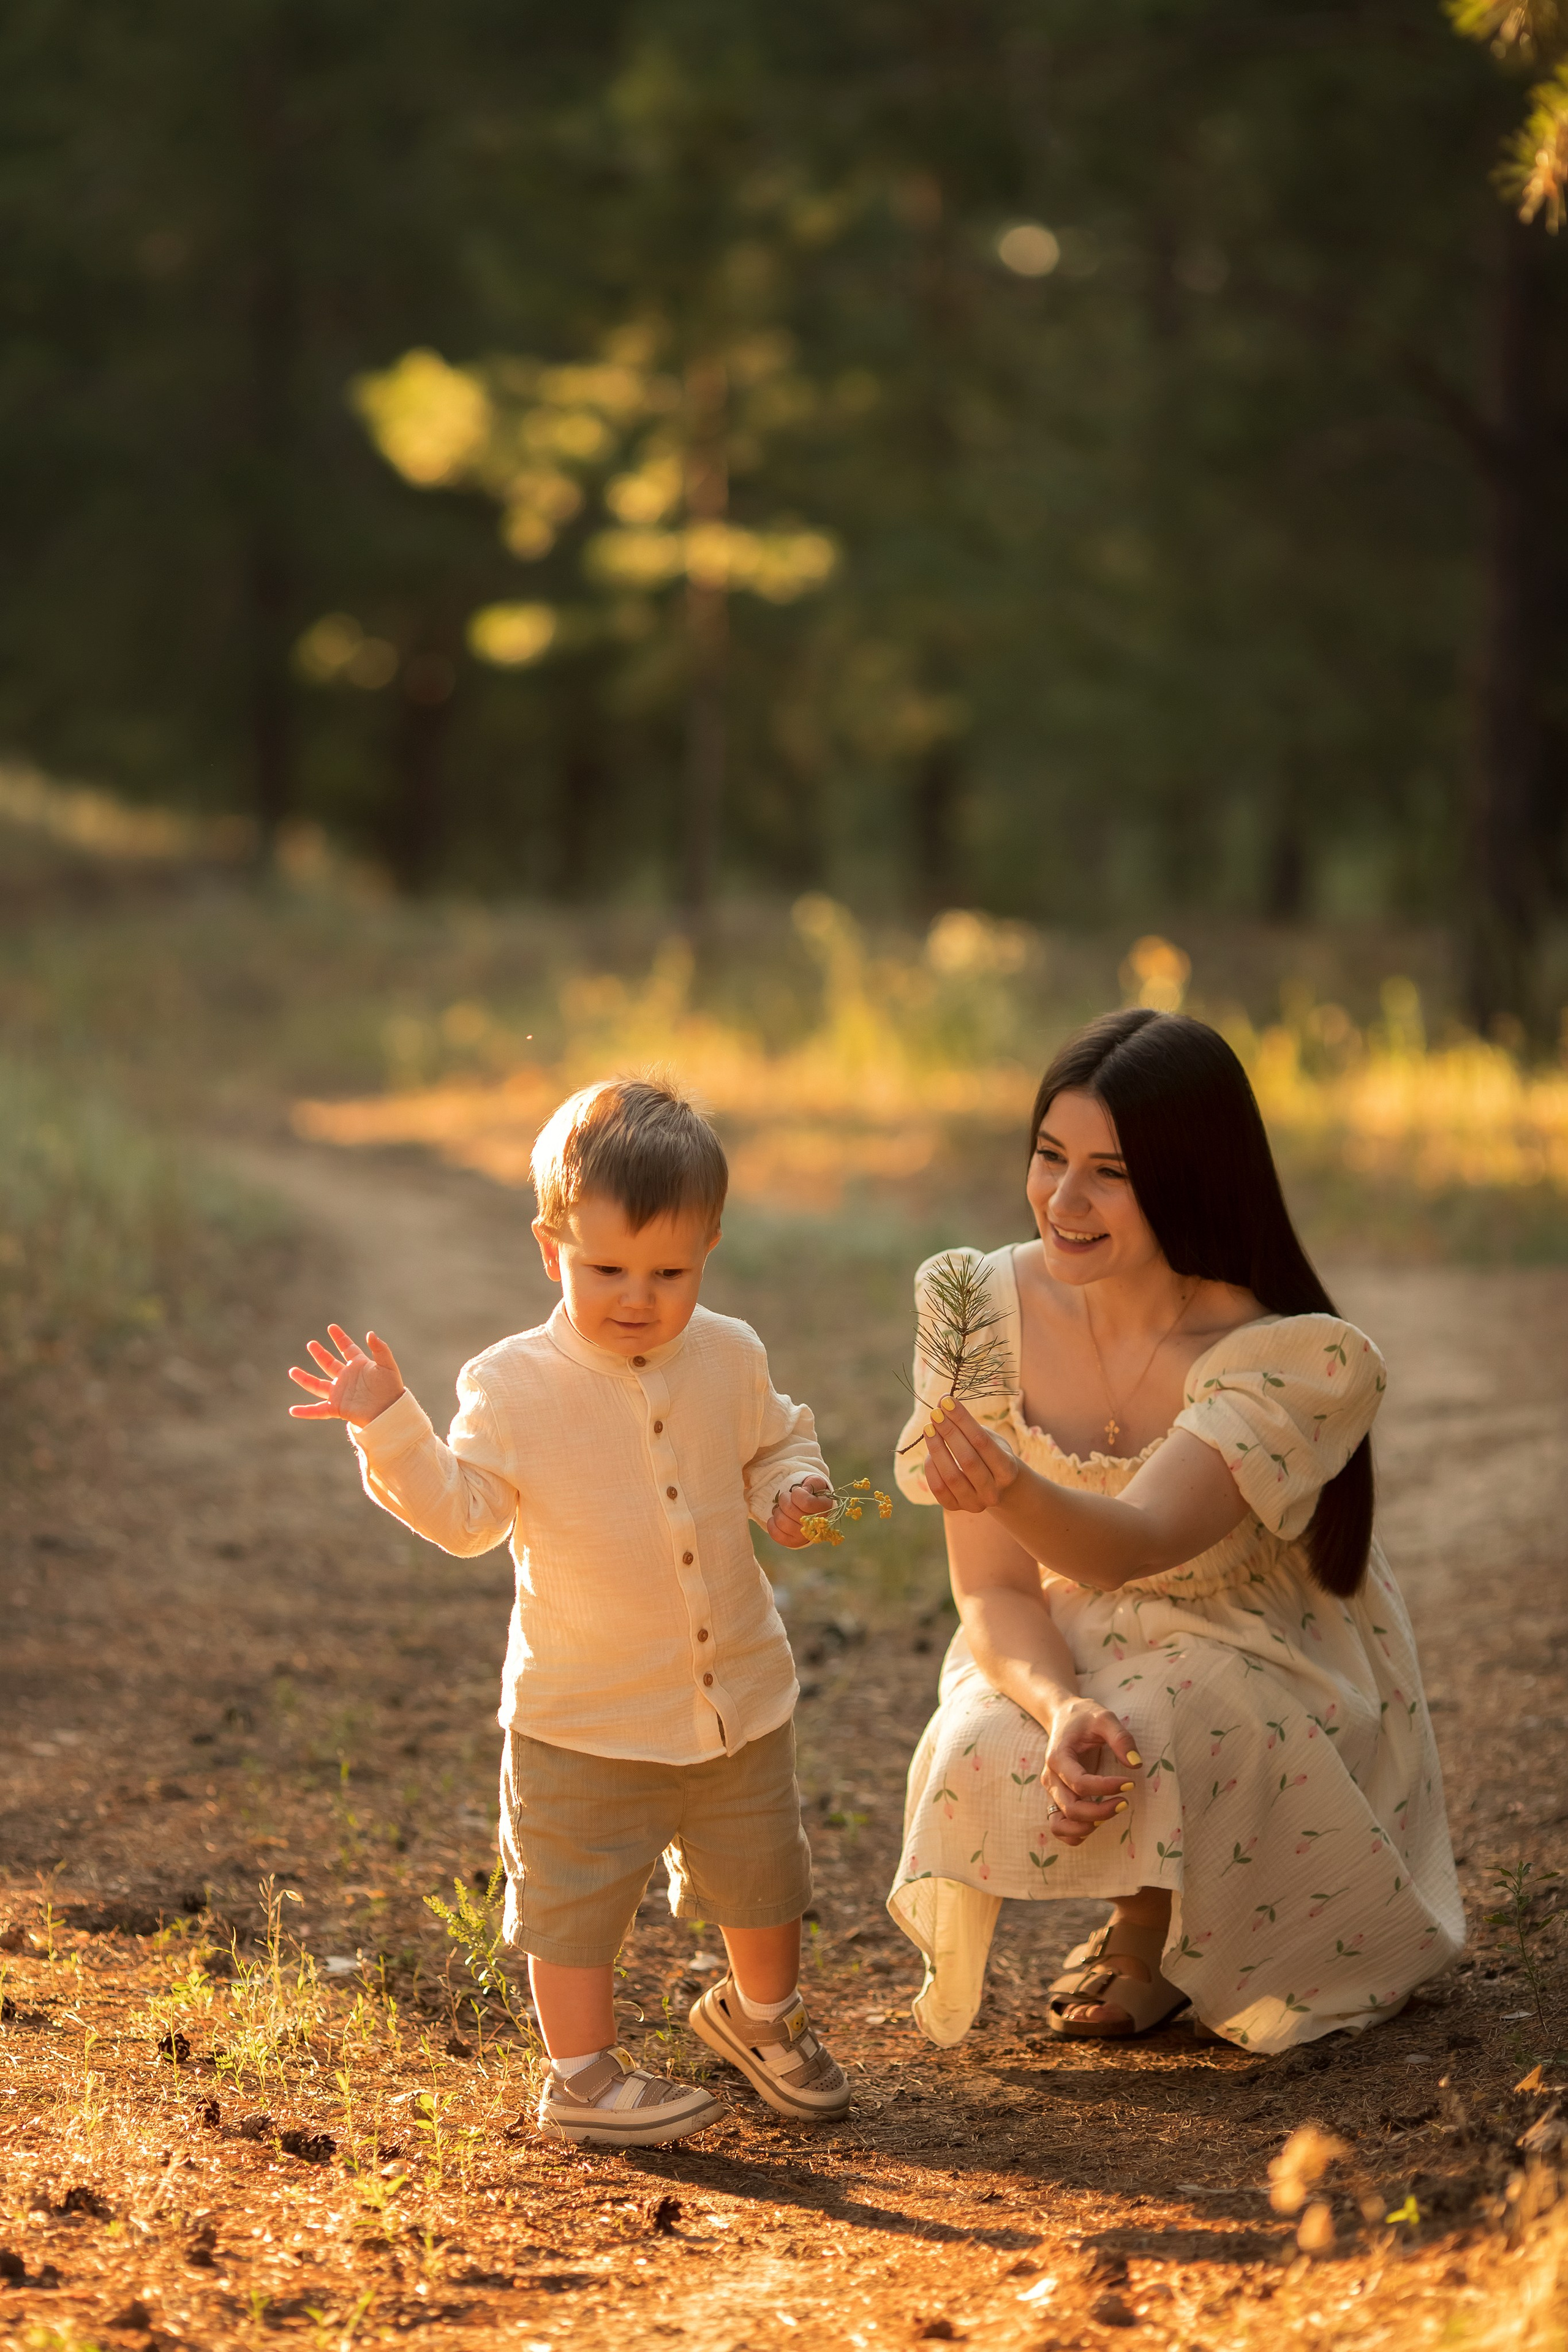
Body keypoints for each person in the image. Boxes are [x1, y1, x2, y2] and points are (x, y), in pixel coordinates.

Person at [287, 1074, 851, 2145]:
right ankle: (583, 2077)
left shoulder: (730, 1354)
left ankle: (760, 2017)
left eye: (669, 1271)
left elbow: (780, 1436)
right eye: (606, 1269)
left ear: (710, 1248)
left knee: (766, 1873)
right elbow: (464, 1516)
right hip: (582, 1715)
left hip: (735, 1692)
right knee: (576, 1902)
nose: (637, 1297)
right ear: (550, 1248)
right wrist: (388, 1427)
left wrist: (791, 1489)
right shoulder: (512, 1384)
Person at [889, 1008, 1463, 2052]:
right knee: (985, 1738)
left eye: (1111, 1172)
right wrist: (1058, 1705)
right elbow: (997, 1591)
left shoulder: (1277, 1353)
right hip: (1074, 1626)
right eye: (1050, 1156)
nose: (1065, 1199)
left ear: (1189, 1179)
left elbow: (1141, 1539)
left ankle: (1153, 1933)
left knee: (1165, 1713)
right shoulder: (975, 1308)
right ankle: (1144, 1906)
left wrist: (1009, 1484)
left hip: (1247, 1641)